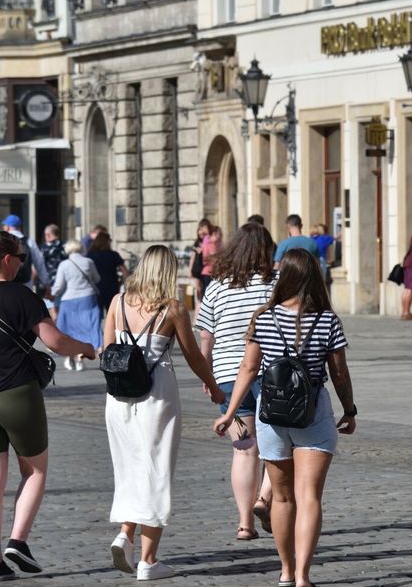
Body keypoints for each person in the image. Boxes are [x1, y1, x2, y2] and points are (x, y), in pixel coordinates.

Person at [0, 230, 96, 583]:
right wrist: (86, 348)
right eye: (22, 259)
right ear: (8, 259)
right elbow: (55, 341)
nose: (24, 266)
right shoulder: (21, 296)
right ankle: (18, 541)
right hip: (16, 395)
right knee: (35, 471)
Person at [213, 248, 357, 587]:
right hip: (313, 414)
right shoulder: (326, 319)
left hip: (272, 414)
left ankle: (285, 571)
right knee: (309, 496)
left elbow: (248, 368)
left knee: (280, 497)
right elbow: (339, 373)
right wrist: (349, 410)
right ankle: (304, 577)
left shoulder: (263, 317)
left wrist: (230, 412)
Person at [101, 246, 225, 580]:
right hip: (157, 394)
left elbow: (107, 350)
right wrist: (213, 386)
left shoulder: (117, 302)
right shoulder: (172, 309)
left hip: (119, 398)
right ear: (167, 272)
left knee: (130, 468)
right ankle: (148, 561)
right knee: (155, 469)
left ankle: (125, 533)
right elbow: (194, 356)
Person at [195, 223, 278, 540]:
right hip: (273, 374)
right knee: (279, 444)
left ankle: (245, 523)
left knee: (244, 450)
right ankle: (264, 497)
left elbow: (206, 337)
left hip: (228, 374)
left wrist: (207, 373)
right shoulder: (276, 284)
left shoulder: (216, 287)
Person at [52, 240, 101, 372]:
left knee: (69, 331)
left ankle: (70, 357)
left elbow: (59, 286)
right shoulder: (88, 262)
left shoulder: (64, 264)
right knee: (85, 329)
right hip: (88, 298)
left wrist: (52, 293)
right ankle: (80, 359)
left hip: (69, 300)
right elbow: (97, 279)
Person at [1, 214, 49, 290]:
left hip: (7, 283)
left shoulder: (3, 240)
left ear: (7, 227)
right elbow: (39, 263)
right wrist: (46, 283)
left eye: (4, 225)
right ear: (19, 227)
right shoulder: (29, 241)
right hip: (26, 284)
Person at [88, 232, 129, 313]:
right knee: (113, 313)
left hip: (96, 288)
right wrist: (121, 282)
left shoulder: (90, 255)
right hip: (111, 287)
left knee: (96, 316)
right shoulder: (113, 255)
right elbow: (125, 272)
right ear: (107, 242)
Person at [40, 225, 67, 319]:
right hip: (64, 282)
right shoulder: (64, 246)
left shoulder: (44, 248)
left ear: (47, 235)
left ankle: (56, 327)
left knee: (51, 309)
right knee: (60, 307)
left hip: (49, 282)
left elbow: (40, 265)